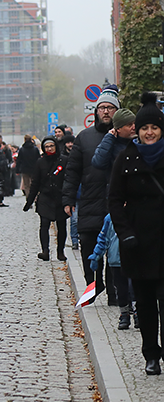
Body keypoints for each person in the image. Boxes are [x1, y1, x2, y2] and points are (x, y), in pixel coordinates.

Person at [107, 99, 164, 375]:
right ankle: (151, 355)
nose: (149, 132)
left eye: (154, 127)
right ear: (137, 130)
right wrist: (125, 233)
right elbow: (114, 200)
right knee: (144, 303)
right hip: (138, 241)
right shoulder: (125, 158)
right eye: (144, 128)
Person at [63, 86, 119, 297]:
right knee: (88, 245)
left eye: (110, 108)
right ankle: (92, 284)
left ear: (116, 111)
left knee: (114, 248)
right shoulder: (84, 137)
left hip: (114, 201)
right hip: (89, 200)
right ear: (96, 111)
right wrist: (68, 199)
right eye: (102, 107)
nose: (105, 111)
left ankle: (115, 293)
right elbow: (72, 171)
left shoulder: (124, 137)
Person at [24, 136, 68, 261]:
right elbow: (35, 183)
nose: (49, 149)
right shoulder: (40, 162)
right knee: (44, 224)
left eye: (51, 146)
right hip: (45, 197)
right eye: (47, 147)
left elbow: (69, 179)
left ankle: (60, 251)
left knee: (62, 225)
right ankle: (45, 251)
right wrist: (29, 201)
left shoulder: (64, 160)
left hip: (60, 197)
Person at [89, 214, 132, 330]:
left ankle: (138, 313)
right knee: (121, 289)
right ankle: (124, 314)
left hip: (134, 259)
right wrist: (96, 255)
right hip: (116, 260)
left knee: (134, 289)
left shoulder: (136, 213)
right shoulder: (110, 218)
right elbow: (103, 239)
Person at [92, 107, 136, 171]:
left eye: (135, 123)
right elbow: (98, 163)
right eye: (129, 125)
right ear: (118, 129)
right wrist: (108, 138)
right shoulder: (112, 146)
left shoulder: (139, 143)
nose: (134, 127)